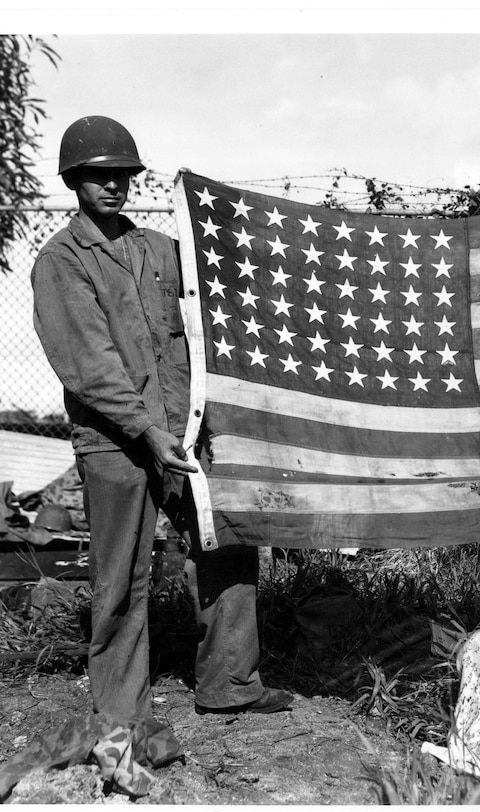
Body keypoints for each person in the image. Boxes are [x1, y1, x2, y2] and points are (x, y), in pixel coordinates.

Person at [32, 115, 294, 723]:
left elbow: (222, 291)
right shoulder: (62, 261)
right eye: (99, 175)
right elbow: (89, 366)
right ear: (75, 180)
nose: (113, 185)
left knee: (224, 544)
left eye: (122, 174)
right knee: (122, 578)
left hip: (184, 431)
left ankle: (230, 684)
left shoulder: (156, 249)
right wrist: (145, 431)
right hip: (115, 441)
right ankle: (124, 716)